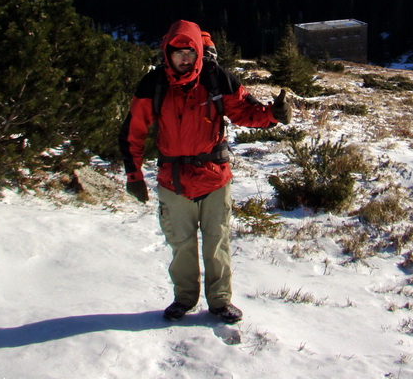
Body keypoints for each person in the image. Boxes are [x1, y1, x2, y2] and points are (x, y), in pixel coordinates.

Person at [119, 19, 292, 324]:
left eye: (189, 53)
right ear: (167, 54)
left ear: (198, 52)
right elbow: (133, 133)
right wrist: (133, 176)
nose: (184, 60)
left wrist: (272, 115)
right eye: (177, 54)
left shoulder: (216, 79)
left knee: (217, 241)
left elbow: (245, 111)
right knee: (181, 245)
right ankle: (184, 299)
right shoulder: (154, 85)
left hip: (214, 178)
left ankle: (220, 302)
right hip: (174, 183)